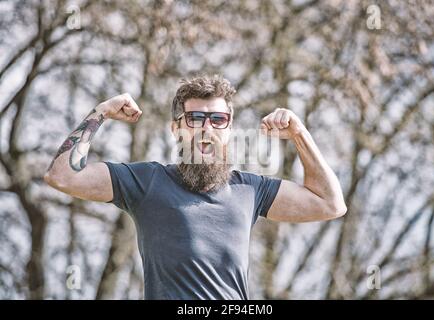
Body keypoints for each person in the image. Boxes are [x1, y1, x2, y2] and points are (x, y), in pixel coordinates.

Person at [44, 75, 347, 299]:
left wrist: (299, 133)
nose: (206, 128)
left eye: (218, 119)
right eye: (195, 118)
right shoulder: (147, 182)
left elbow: (331, 204)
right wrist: (102, 111)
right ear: (176, 127)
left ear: (228, 129)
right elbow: (62, 176)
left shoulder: (251, 191)